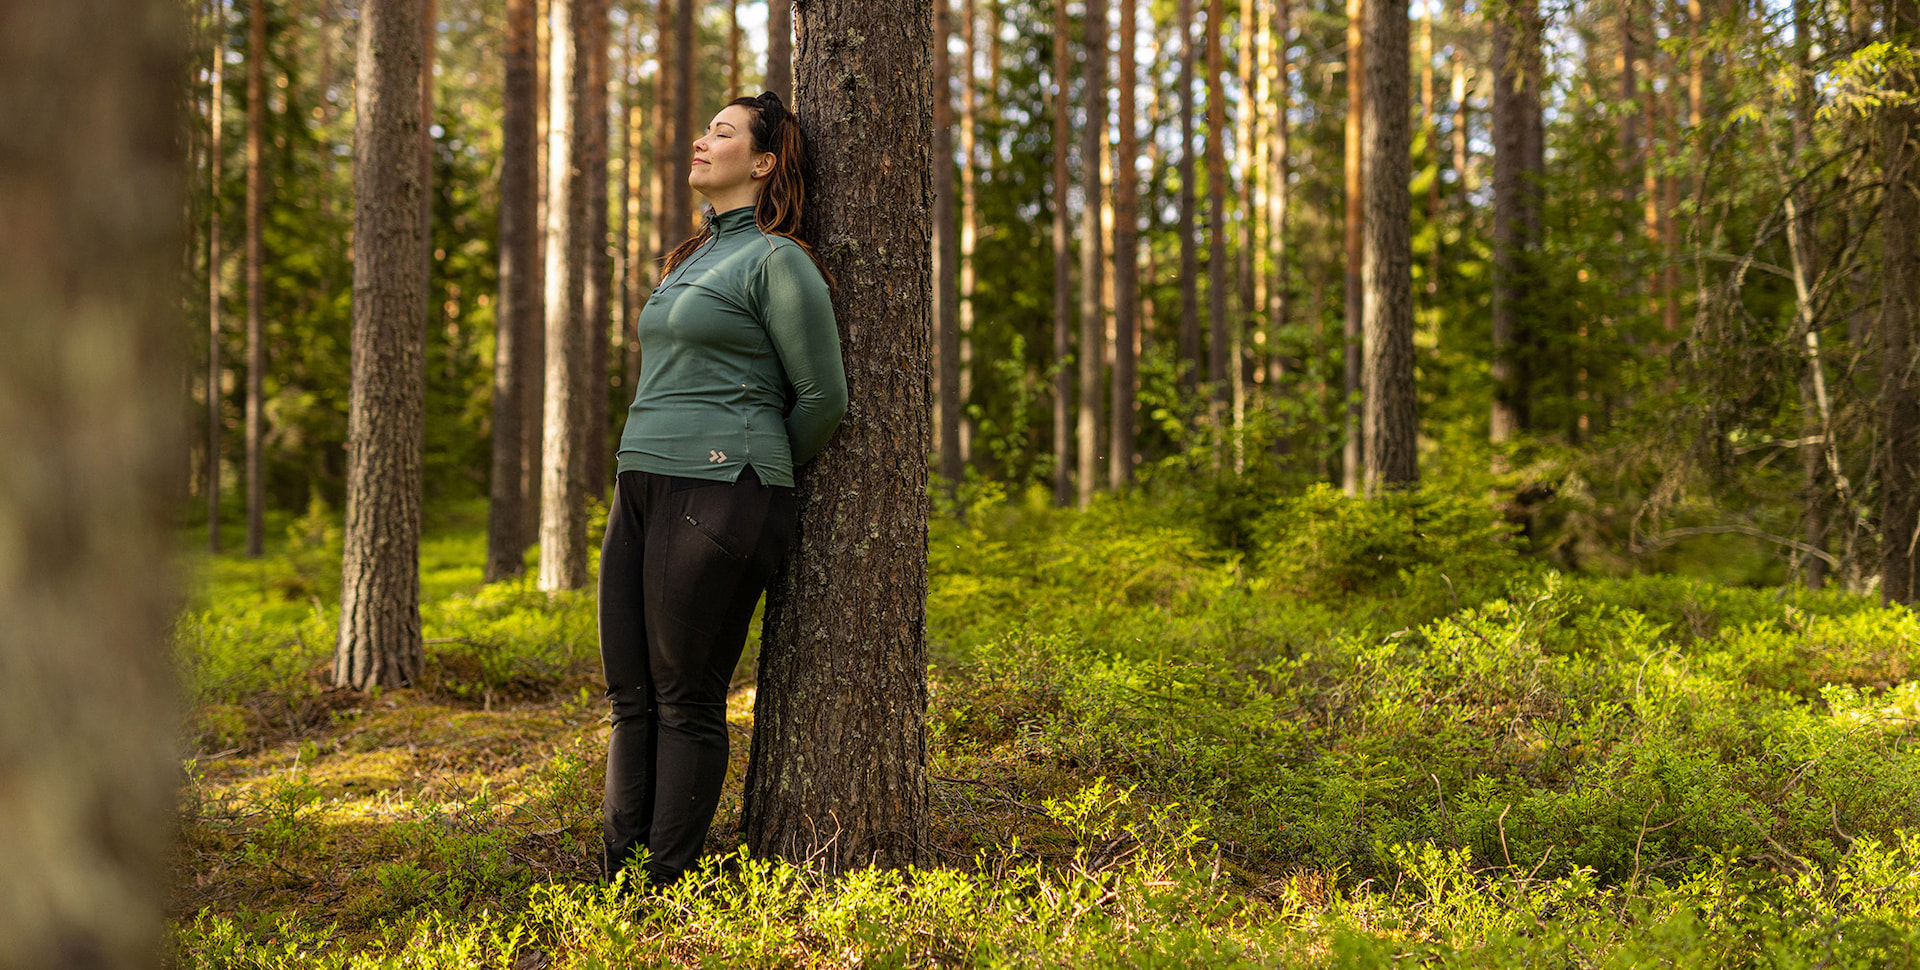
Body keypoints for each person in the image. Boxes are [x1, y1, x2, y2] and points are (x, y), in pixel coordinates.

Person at [597, 91, 847, 890]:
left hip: (721, 487)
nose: (701, 141)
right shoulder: (689, 258)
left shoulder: (779, 260)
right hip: (639, 482)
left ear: (764, 161)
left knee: (683, 696)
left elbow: (823, 400)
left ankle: (662, 888)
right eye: (705, 127)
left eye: (723, 132)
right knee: (629, 696)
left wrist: (750, 467)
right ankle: (615, 888)